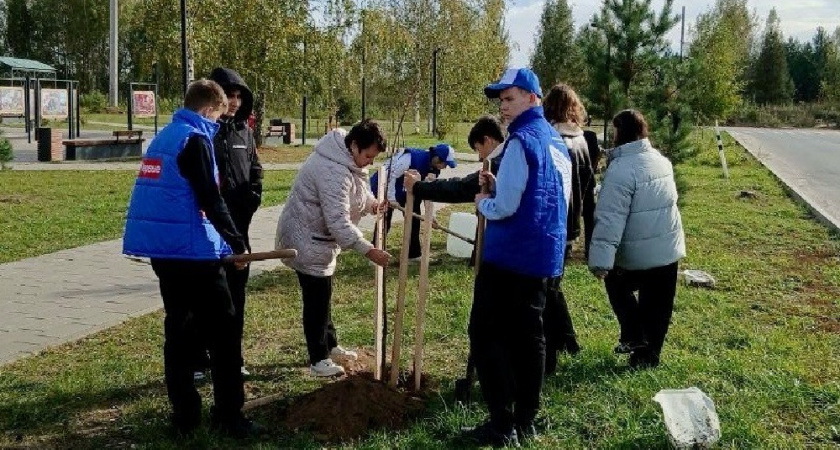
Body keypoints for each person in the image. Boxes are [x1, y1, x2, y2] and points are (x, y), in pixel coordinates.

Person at [122, 79, 261, 438]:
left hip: (163, 252)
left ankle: (185, 417)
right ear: (206, 110)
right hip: (193, 254)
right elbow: (210, 199)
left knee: (179, 331)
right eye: (216, 116)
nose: (218, 124)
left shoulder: (165, 136)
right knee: (224, 332)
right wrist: (236, 243)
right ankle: (229, 416)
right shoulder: (195, 139)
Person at [462, 67, 571, 447]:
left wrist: (483, 201)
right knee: (530, 338)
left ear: (532, 98)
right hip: (544, 256)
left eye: (510, 98)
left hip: (509, 256)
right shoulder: (557, 142)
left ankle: (500, 421)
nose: (503, 107)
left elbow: (506, 206)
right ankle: (527, 418)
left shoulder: (521, 141)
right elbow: (554, 197)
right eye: (501, 100)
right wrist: (501, 188)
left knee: (485, 333)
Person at [276, 120, 391, 377]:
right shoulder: (332, 170)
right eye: (368, 156)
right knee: (316, 299)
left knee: (323, 294)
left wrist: (372, 204)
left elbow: (358, 190)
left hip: (320, 239)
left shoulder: (347, 159)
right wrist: (368, 249)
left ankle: (331, 345)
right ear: (354, 146)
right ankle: (318, 358)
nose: (370, 163)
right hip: (305, 238)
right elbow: (338, 221)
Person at [588, 109, 686, 369]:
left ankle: (633, 335)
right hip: (668, 249)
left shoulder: (621, 171)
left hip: (637, 256)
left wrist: (600, 262)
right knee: (658, 308)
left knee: (617, 286)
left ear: (620, 133)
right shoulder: (661, 161)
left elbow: (610, 219)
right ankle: (648, 357)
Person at [206, 67, 263, 378]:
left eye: (240, 96)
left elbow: (255, 169)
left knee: (235, 297)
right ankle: (201, 359)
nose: (235, 101)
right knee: (206, 299)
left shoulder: (244, 132)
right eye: (230, 95)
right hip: (208, 232)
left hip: (240, 230)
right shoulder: (206, 132)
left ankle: (232, 357)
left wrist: (253, 196)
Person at [541, 83, 596, 373]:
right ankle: (567, 340)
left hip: (554, 222)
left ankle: (559, 345)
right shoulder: (583, 141)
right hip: (571, 224)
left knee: (549, 287)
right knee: (553, 285)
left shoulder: (554, 140)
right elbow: (588, 190)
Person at [369, 143, 458, 261]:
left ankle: (413, 254)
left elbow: (427, 192)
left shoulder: (434, 170)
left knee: (414, 219)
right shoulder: (411, 157)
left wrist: (431, 215)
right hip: (385, 185)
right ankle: (375, 253)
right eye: (444, 164)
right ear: (437, 157)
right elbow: (390, 175)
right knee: (385, 219)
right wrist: (390, 199)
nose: (444, 167)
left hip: (406, 191)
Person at [403, 116, 505, 204]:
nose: (481, 157)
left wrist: (418, 186)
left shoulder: (498, 165)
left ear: (487, 141)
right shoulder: (506, 157)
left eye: (478, 149)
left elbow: (460, 188)